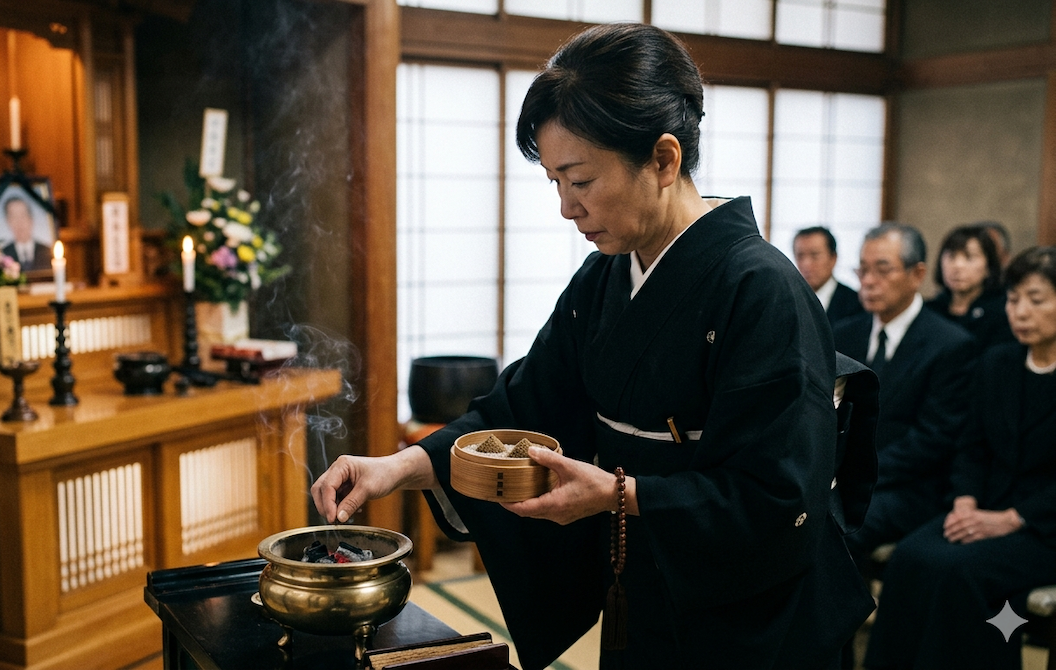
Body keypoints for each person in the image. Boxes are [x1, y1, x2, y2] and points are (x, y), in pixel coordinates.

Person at [312, 23, 874, 670]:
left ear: (663, 160)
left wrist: (619, 495)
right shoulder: (607, 274)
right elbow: (523, 407)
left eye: (579, 180)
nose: (565, 207)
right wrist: (398, 468)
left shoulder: (763, 290)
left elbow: (778, 500)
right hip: (645, 584)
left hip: (757, 622)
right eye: (554, 181)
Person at [863, 246, 1056, 670]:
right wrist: (965, 500)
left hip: (1042, 526)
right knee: (910, 558)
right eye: (1013, 299)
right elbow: (971, 446)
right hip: (982, 508)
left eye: (1036, 300)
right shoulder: (997, 363)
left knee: (960, 573)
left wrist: (1010, 518)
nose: (1020, 311)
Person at [832, 224, 976, 563]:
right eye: (862, 269)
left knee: (832, 529)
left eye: (882, 269)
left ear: (917, 274)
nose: (867, 281)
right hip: (839, 477)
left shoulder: (950, 345)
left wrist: (854, 473)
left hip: (907, 487)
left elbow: (933, 438)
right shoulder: (844, 333)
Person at [925, 224, 1013, 351]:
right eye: (952, 256)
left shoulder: (1001, 313)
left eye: (969, 257)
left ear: (989, 267)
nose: (957, 266)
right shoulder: (930, 310)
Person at [793, 225, 863, 326]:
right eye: (800, 256)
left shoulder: (855, 303)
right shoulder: (788, 300)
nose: (806, 264)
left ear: (833, 258)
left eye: (815, 255)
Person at [0, 197, 52, 271]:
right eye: (14, 217)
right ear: (8, 221)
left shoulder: (47, 252)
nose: (19, 222)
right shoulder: (3, 254)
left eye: (23, 215)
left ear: (31, 219)